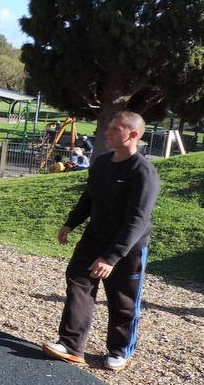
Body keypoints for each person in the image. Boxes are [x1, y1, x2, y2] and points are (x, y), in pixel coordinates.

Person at [42, 111, 159, 372]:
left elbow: (137, 221)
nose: (107, 132)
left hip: (127, 248)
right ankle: (72, 345)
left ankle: (119, 351)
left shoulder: (143, 173)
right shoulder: (102, 162)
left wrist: (111, 257)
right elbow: (89, 198)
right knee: (78, 282)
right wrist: (71, 223)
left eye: (115, 129)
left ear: (132, 135)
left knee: (122, 299)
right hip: (94, 237)